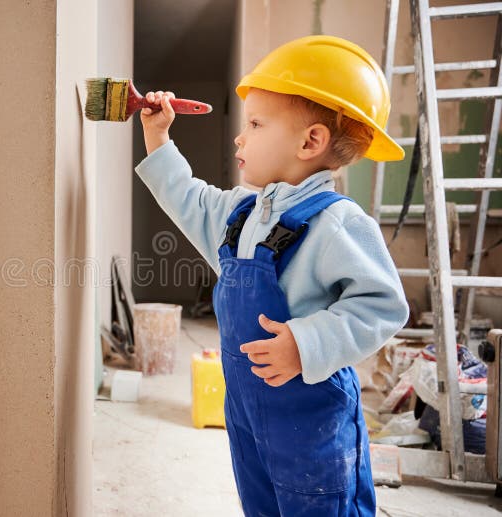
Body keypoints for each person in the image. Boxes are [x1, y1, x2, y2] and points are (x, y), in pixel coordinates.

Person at [135, 35, 409, 516]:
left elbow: (382, 306)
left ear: (310, 142)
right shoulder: (241, 214)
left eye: (256, 124)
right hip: (247, 408)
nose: (241, 137)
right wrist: (159, 137)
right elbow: (188, 198)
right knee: (261, 502)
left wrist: (306, 344)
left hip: (312, 414)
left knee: (318, 505)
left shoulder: (338, 223)